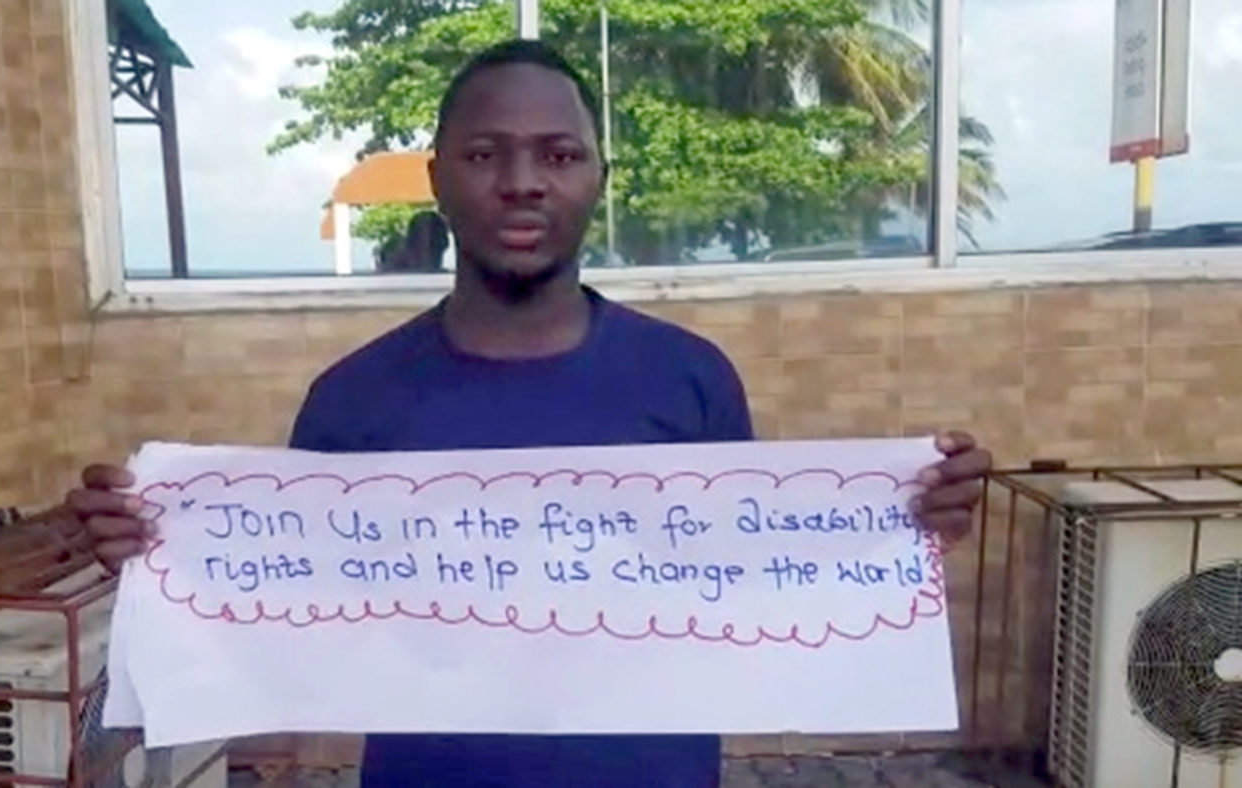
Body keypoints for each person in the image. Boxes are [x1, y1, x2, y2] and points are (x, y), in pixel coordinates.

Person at [66, 39, 992, 788]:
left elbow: (750, 578)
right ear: (437, 179)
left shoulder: (689, 380)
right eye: (484, 154)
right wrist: (152, 554)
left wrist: (899, 526)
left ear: (596, 174)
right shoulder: (352, 401)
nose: (522, 181)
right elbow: (278, 605)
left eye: (558, 154)